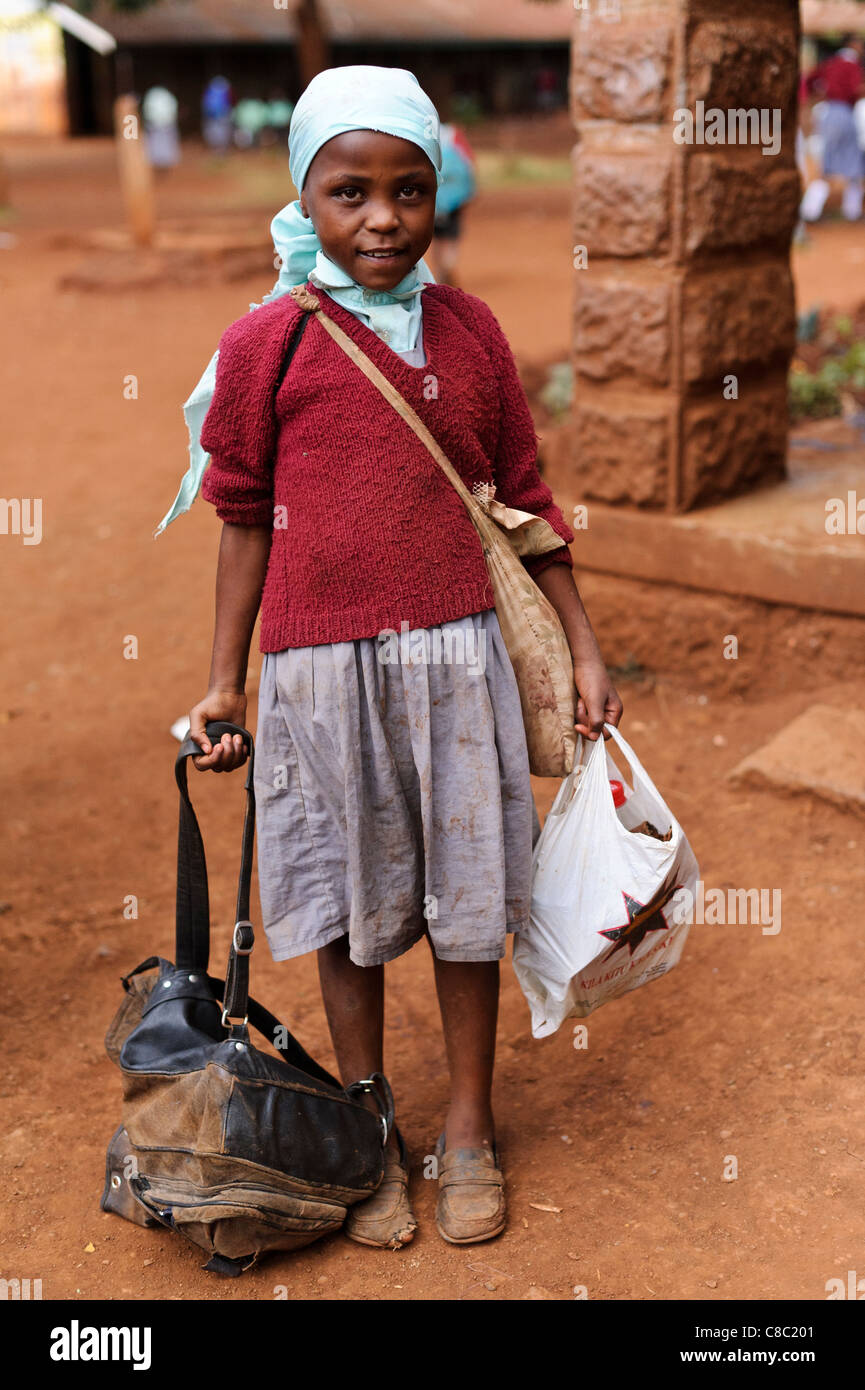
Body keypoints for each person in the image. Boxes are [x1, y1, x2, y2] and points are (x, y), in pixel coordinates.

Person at [175, 65, 622, 1249]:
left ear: (438, 195)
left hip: (460, 670)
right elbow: (239, 517)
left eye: (409, 191)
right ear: (306, 199)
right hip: (320, 677)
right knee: (351, 909)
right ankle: (369, 1127)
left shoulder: (470, 334)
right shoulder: (266, 345)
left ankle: (467, 1126)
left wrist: (583, 645)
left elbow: (523, 503)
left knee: (469, 910)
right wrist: (228, 679)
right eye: (350, 191)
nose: (382, 218)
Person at [799, 35, 865, 223]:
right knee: (854, 165)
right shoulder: (852, 65)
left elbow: (810, 80)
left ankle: (811, 210)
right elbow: (855, 90)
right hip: (844, 113)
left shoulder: (829, 63)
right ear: (852, 45)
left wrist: (822, 94)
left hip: (828, 114)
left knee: (828, 166)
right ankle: (850, 211)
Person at [431, 122, 476, 286]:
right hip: (456, 196)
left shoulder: (422, 132)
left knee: (436, 237)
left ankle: (439, 272)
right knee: (451, 237)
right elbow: (469, 163)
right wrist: (471, 191)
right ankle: (448, 266)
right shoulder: (453, 134)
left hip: (434, 197)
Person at [141, 85, 180, 173]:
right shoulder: (167, 96)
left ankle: (155, 160)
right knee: (167, 141)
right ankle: (166, 160)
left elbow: (147, 110)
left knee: (154, 142)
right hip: (167, 123)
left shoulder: (152, 95)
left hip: (154, 123)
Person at [201, 75, 233, 153]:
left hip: (212, 117)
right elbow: (230, 103)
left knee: (214, 133)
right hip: (222, 116)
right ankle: (221, 150)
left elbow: (205, 105)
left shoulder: (210, 92)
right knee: (222, 133)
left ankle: (216, 149)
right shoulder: (225, 91)